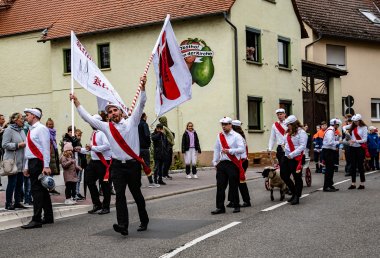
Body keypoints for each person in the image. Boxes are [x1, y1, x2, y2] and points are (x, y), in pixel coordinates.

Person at [70, 76, 150, 236]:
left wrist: (142, 88)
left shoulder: (132, 122)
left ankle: (144, 219)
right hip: (117, 167)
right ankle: (123, 225)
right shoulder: (106, 127)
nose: (113, 113)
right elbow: (87, 118)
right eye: (110, 112)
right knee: (119, 196)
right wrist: (77, 102)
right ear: (107, 116)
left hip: (133, 165)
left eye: (115, 110)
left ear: (121, 111)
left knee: (137, 194)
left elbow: (141, 104)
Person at [21, 108, 53, 229]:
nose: (26, 117)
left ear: (34, 116)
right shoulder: (31, 130)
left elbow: (45, 148)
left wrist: (46, 165)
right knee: (42, 190)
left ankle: (37, 219)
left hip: (38, 162)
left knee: (37, 191)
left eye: (27, 115)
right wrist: (26, 166)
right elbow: (28, 150)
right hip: (32, 162)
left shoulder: (41, 129)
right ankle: (49, 217)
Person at [76, 114, 112, 214]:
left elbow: (107, 146)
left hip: (103, 161)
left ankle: (106, 206)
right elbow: (91, 149)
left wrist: (92, 148)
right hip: (94, 161)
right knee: (89, 181)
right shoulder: (94, 133)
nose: (90, 123)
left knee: (104, 184)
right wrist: (81, 150)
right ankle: (97, 203)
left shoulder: (103, 132)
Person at [211, 117, 245, 215]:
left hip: (233, 163)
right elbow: (216, 149)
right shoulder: (219, 136)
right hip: (222, 163)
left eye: (225, 124)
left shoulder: (236, 136)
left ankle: (236, 205)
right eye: (222, 124)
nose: (224, 126)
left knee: (233, 185)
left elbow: (241, 149)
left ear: (230, 125)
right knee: (220, 186)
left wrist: (230, 151)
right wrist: (215, 162)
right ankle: (220, 207)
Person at [2, 112, 27, 209]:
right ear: (15, 120)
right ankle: (8, 203)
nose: (23, 120)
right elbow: (4, 144)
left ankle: (17, 202)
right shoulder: (9, 130)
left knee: (20, 183)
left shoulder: (21, 130)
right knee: (12, 182)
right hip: (12, 161)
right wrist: (17, 145)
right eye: (21, 118)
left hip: (21, 161)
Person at [280, 115, 307, 205]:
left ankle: (296, 196)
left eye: (289, 125)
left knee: (297, 177)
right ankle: (293, 191)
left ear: (294, 124)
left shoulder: (301, 133)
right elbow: (284, 142)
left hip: (296, 157)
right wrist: (283, 146)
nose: (287, 126)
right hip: (286, 156)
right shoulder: (288, 131)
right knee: (284, 175)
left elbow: (302, 146)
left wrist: (292, 154)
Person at [227, 120, 251, 208]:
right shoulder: (237, 136)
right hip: (237, 161)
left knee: (240, 181)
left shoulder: (237, 137)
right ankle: (232, 200)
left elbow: (242, 152)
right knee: (233, 181)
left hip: (241, 162)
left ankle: (246, 201)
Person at [347, 114, 368, 189]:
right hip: (352, 148)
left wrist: (355, 140)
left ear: (359, 120)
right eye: (354, 121)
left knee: (360, 166)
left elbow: (365, 140)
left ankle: (362, 183)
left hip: (360, 148)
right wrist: (349, 140)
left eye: (356, 121)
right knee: (353, 166)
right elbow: (344, 128)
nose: (355, 123)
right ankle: (353, 183)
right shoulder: (352, 127)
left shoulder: (364, 127)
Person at [138, 113, 158, 187]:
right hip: (144, 148)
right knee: (147, 165)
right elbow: (147, 135)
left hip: (137, 148)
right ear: (144, 117)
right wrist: (149, 143)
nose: (147, 117)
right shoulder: (144, 124)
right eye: (146, 116)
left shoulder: (136, 124)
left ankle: (138, 183)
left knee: (137, 166)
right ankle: (151, 182)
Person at [322, 119, 342, 192]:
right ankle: (326, 186)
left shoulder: (331, 130)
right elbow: (330, 142)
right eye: (338, 125)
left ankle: (329, 184)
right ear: (335, 124)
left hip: (329, 151)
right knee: (329, 169)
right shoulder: (330, 131)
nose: (338, 126)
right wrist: (338, 142)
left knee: (331, 169)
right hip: (328, 151)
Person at [46, 118, 60, 196]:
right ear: (46, 125)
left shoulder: (53, 132)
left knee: (52, 172)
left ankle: (51, 188)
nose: (50, 126)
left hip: (53, 154)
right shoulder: (47, 132)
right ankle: (49, 188)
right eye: (49, 124)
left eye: (51, 124)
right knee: (49, 172)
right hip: (49, 154)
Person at [73, 129, 86, 200]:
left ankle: (77, 192)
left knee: (79, 178)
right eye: (78, 135)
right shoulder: (75, 142)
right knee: (77, 178)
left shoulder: (79, 142)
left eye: (80, 135)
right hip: (77, 162)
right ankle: (75, 192)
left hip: (80, 162)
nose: (79, 137)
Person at [0, 114, 7, 191]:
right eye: (2, 119)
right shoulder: (3, 127)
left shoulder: (5, 127)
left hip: (3, 149)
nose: (4, 121)